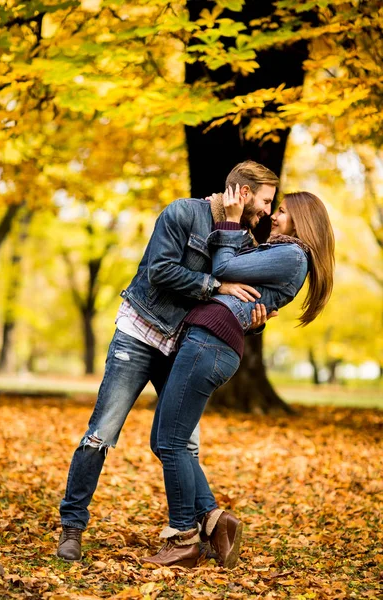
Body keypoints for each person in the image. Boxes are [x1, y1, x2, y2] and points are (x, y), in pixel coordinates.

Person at [57, 160, 280, 561]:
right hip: (141, 332)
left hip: (182, 344)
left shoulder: (242, 241)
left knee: (183, 443)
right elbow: (160, 271)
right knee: (101, 434)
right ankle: (71, 528)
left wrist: (256, 320)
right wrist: (216, 284)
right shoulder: (182, 213)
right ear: (243, 193)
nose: (267, 210)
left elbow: (238, 302)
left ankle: (209, 523)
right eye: (265, 201)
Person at [144, 189, 335, 569]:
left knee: (171, 441)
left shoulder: (293, 255)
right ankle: (216, 521)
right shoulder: (280, 252)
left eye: (280, 211)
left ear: (302, 219)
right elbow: (240, 288)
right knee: (164, 439)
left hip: (210, 344)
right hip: (208, 341)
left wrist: (230, 221)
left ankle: (183, 538)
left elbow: (222, 270)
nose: (273, 217)